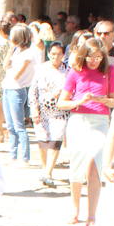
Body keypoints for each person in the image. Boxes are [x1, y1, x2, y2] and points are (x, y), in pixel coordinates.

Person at [57, 36, 114, 226]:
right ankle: (75, 210)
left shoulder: (109, 71)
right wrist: (79, 102)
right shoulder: (76, 72)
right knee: (77, 165)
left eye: (98, 57)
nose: (94, 61)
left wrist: (101, 99)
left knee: (96, 165)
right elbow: (62, 102)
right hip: (78, 120)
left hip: (100, 121)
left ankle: (92, 215)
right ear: (84, 56)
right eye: (91, 57)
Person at [29, 39, 70, 186]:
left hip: (60, 111)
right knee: (43, 140)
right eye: (52, 54)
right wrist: (34, 109)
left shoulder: (68, 70)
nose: (55, 57)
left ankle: (48, 171)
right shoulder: (41, 69)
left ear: (63, 55)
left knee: (55, 140)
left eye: (58, 54)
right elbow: (33, 90)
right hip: (42, 109)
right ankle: (45, 168)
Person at [1, 24, 37, 164]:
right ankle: (13, 153)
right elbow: (5, 65)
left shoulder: (29, 53)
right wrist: (11, 50)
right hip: (7, 88)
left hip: (17, 90)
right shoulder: (16, 51)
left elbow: (17, 75)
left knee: (19, 125)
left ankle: (25, 156)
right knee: (10, 125)